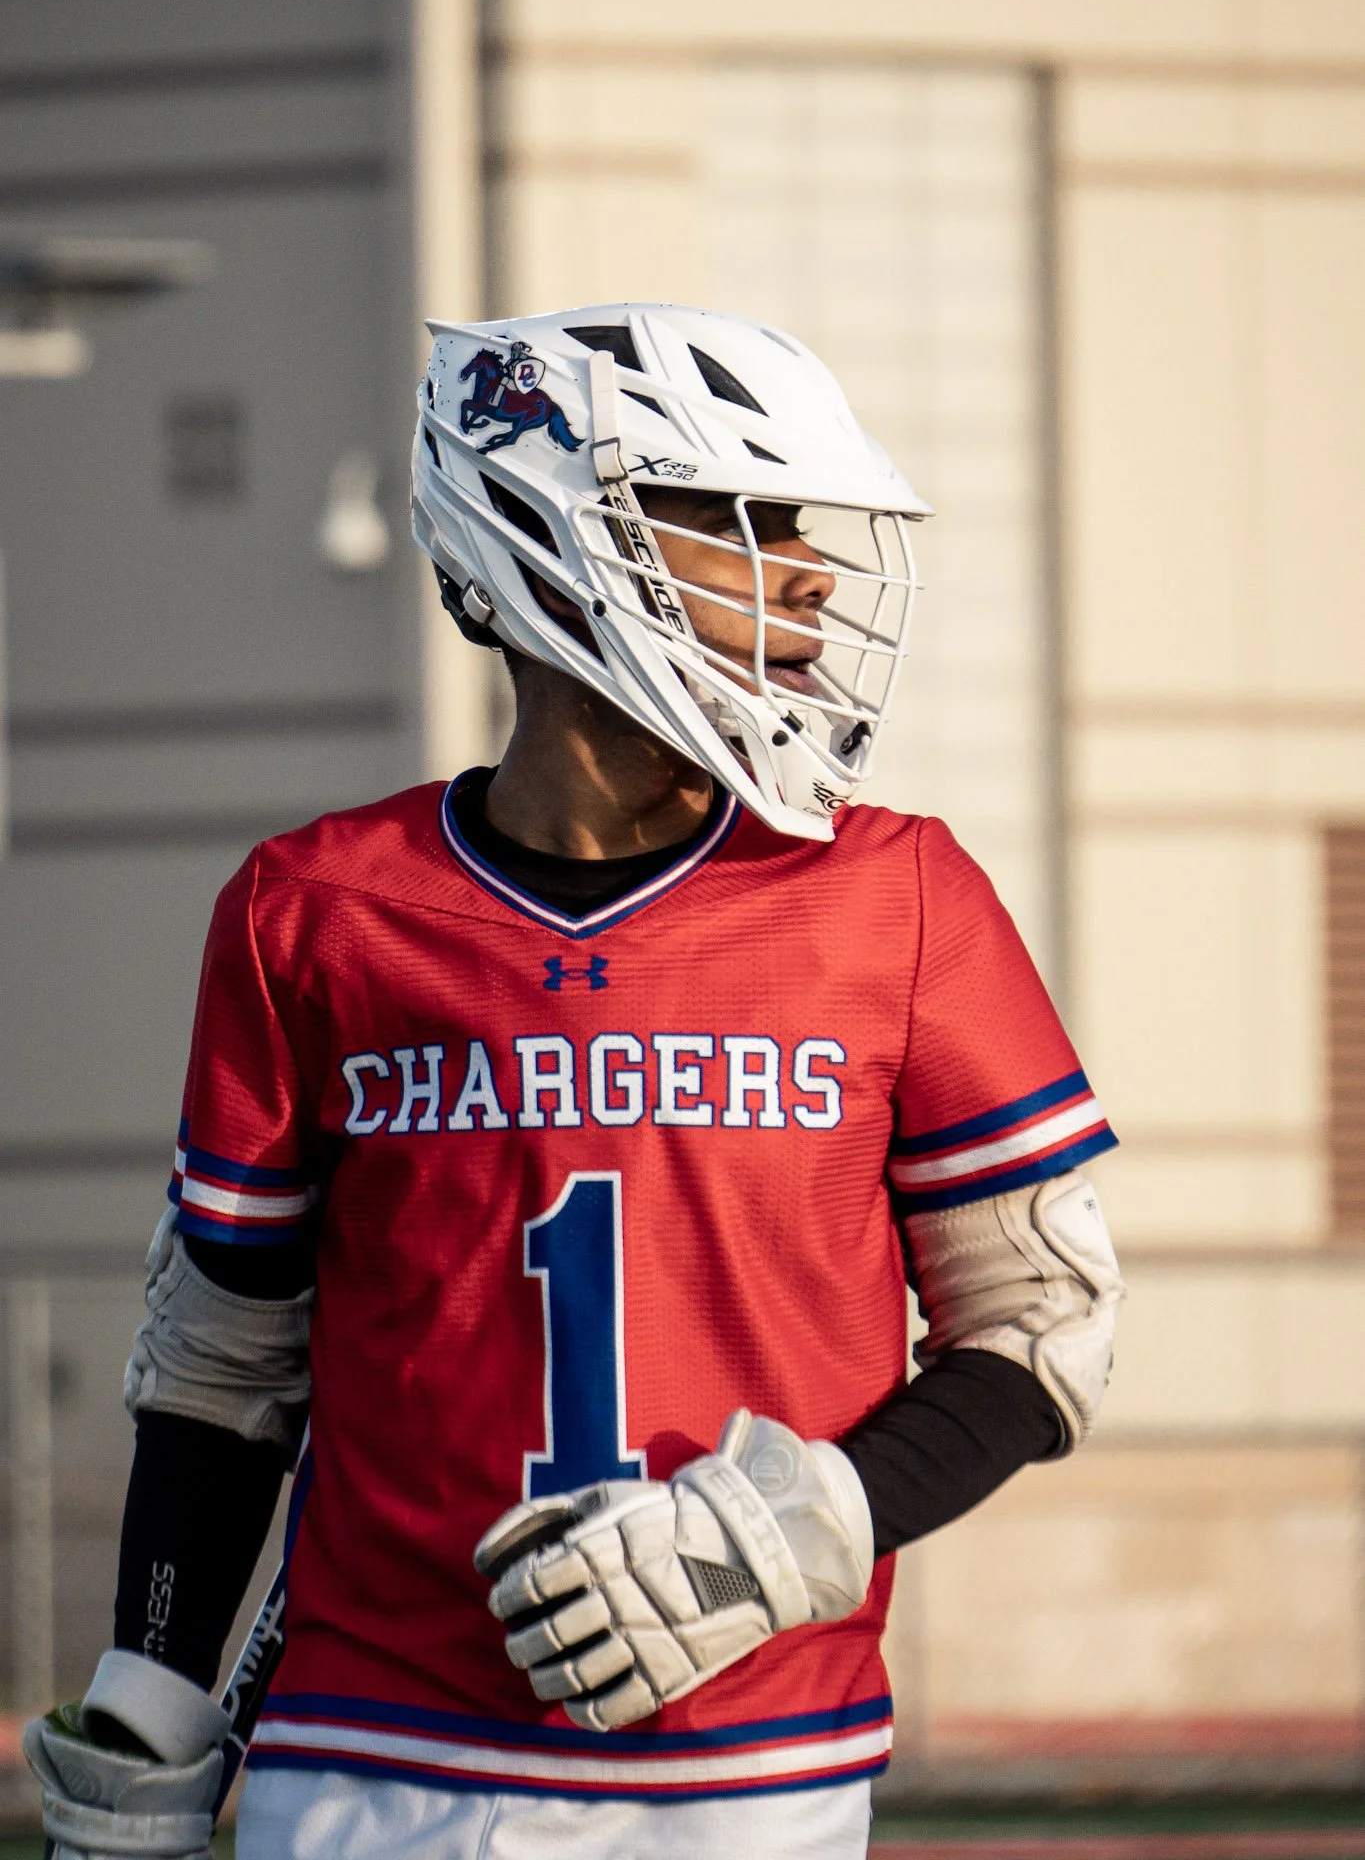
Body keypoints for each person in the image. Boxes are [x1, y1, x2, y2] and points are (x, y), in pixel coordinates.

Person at [25, 304, 1123, 1860]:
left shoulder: (904, 899)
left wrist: (790, 1532)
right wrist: (150, 1691)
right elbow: (222, 1365)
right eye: (750, 525)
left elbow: (1044, 1329)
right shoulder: (319, 906)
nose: (812, 573)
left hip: (748, 1775)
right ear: (554, 546)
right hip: (359, 1763)